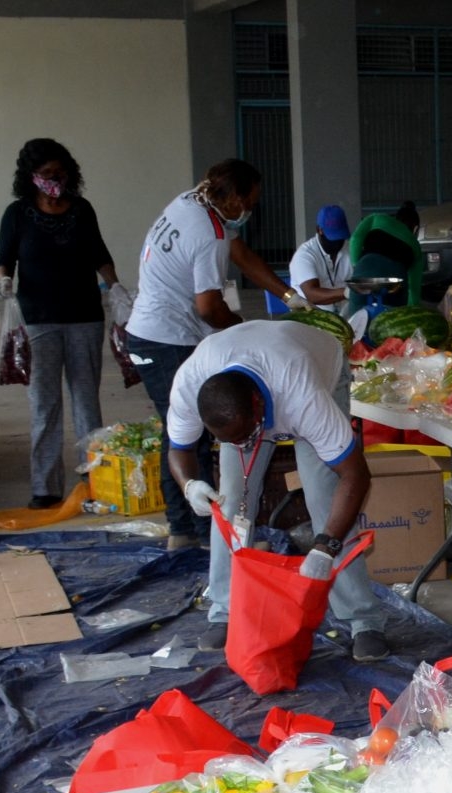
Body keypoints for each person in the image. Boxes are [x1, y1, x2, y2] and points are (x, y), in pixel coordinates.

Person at [163, 320, 392, 663]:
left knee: (323, 494)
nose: (241, 445)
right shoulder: (190, 384)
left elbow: (355, 475)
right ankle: (225, 610)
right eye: (229, 440)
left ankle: (363, 620)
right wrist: (190, 485)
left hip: (317, 370)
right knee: (230, 504)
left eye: (245, 434)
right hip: (252, 377)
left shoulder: (304, 397)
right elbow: (178, 448)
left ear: (257, 405)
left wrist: (325, 548)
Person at [124, 159, 309, 550]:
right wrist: (239, 327)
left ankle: (196, 525)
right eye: (251, 202)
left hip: (165, 333)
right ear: (234, 198)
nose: (251, 211)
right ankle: (185, 530)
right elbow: (209, 307)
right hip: (163, 338)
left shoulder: (194, 200)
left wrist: (288, 295)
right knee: (183, 430)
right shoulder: (208, 233)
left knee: (187, 428)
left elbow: (241, 254)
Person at [0, 138, 126, 510]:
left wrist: (115, 287)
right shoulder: (17, 214)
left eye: (60, 173)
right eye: (47, 175)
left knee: (87, 402)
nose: (55, 181)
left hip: (85, 317)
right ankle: (45, 487)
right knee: (44, 405)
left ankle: (95, 478)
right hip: (38, 320)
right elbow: (3, 259)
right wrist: (3, 281)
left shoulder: (81, 210)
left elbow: (100, 255)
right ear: (31, 177)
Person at [289, 204, 352, 314]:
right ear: (319, 230)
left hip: (345, 316)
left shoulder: (350, 250)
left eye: (340, 237)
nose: (337, 243)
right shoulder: (304, 255)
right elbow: (312, 294)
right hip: (311, 318)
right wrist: (346, 292)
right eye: (333, 237)